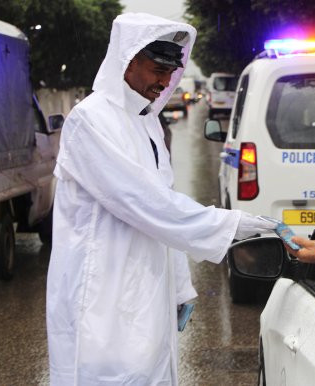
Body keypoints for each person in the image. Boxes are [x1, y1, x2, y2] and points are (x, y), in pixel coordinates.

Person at [45, 13, 276, 385]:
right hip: (102, 295)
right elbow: (149, 205)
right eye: (156, 70)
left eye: (171, 72)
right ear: (129, 60)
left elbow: (164, 203)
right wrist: (237, 224)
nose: (165, 81)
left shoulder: (147, 122)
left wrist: (180, 285)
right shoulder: (89, 121)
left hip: (146, 290)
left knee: (148, 370)